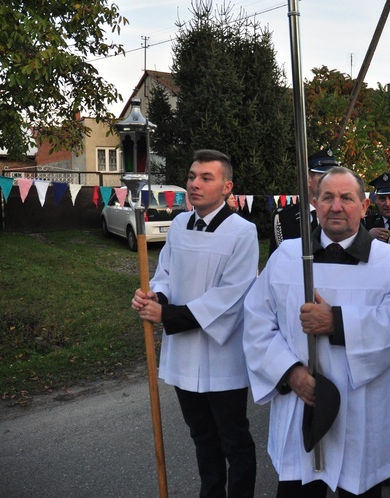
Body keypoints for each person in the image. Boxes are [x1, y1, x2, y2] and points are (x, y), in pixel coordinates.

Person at [243, 166, 390, 497]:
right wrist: (290, 372)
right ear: (315, 202)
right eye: (327, 197)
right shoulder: (286, 256)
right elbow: (256, 321)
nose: (336, 206)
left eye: (347, 198)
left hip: (361, 411)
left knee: (358, 487)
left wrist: (337, 323)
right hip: (301, 404)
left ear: (364, 206)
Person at [131, 149, 258, 498]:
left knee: (234, 440)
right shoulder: (179, 225)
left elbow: (230, 297)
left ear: (227, 187)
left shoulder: (243, 232)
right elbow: (165, 275)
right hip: (185, 354)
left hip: (222, 357)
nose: (195, 184)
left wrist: (167, 315)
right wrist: (156, 298)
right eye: (191, 176)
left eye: (206, 178)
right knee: (201, 436)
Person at [269, 149, 339, 256]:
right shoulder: (286, 217)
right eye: (324, 176)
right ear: (308, 179)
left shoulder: (342, 213)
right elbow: (278, 260)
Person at [363, 172, 390, 243]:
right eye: (382, 198)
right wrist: (367, 236)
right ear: (376, 199)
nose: (387, 204)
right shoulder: (365, 223)